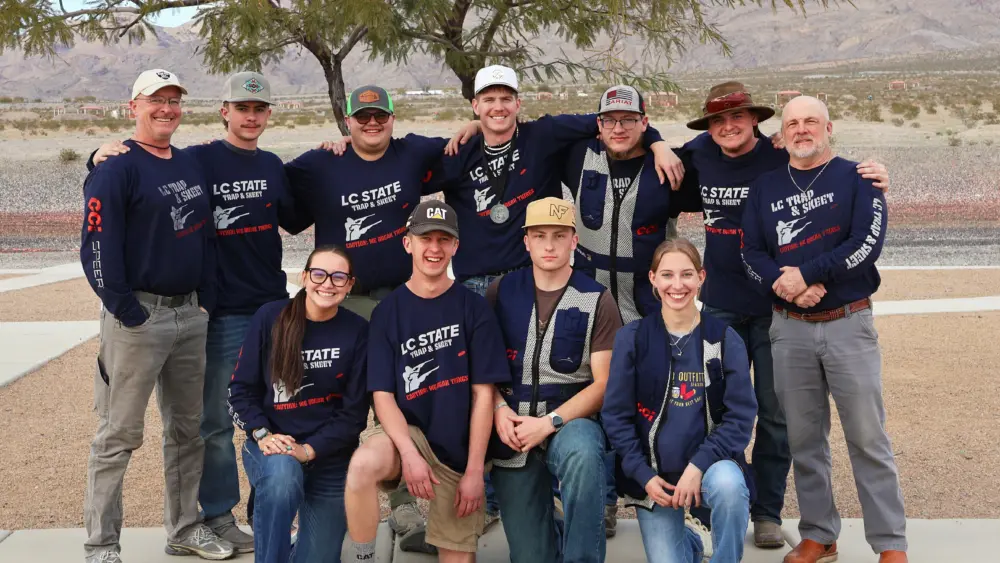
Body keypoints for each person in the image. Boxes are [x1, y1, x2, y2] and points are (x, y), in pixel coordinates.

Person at [87, 71, 309, 549]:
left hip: (255, 310)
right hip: (204, 315)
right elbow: (104, 228)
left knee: (256, 418)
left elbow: (291, 214)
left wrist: (342, 150)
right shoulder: (194, 160)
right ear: (224, 111)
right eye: (242, 107)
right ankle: (129, 539)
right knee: (192, 426)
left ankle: (248, 519)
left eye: (260, 108)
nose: (251, 116)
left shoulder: (257, 164)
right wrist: (96, 157)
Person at [670, 81, 890, 549]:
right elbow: (655, 166)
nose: (728, 126)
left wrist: (801, 282)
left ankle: (767, 512)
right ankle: (718, 508)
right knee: (712, 409)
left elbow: (826, 175)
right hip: (724, 303)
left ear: (756, 120)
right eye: (717, 120)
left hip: (778, 310)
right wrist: (653, 144)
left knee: (778, 417)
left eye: (738, 116)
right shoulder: (701, 153)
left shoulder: (779, 155)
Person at [740, 96, 906, 563]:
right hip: (789, 328)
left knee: (867, 436)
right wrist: (787, 287)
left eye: (811, 121)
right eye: (793, 122)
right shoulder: (765, 187)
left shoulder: (860, 178)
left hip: (848, 323)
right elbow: (751, 252)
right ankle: (819, 534)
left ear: (828, 127)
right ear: (782, 134)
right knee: (804, 439)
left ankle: (890, 542)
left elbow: (866, 245)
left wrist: (808, 275)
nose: (801, 129)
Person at [79, 69, 232, 563]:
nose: (166, 109)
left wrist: (206, 298)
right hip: (138, 319)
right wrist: (126, 310)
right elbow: (96, 247)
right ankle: (101, 545)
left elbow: (205, 234)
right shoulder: (115, 168)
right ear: (134, 107)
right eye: (155, 100)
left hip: (190, 315)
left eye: (173, 100)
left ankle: (184, 529)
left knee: (187, 431)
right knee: (118, 435)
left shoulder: (187, 163)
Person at [344, 200, 510, 563]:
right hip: (409, 434)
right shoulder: (387, 312)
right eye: (425, 239)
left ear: (455, 246)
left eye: (443, 240)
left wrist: (474, 472)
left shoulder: (474, 308)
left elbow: (484, 395)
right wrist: (407, 453)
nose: (434, 248)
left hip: (456, 451)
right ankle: (363, 558)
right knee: (362, 465)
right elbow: (382, 394)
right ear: (408, 243)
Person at [432, 65, 684, 300]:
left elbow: (613, 121)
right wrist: (479, 125)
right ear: (475, 105)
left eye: (506, 99)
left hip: (533, 278)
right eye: (489, 100)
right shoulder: (458, 153)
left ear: (518, 103)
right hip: (474, 284)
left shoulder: (544, 135)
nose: (498, 107)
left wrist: (657, 142)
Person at [602, 238, 758, 563]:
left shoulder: (723, 339)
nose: (677, 285)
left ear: (701, 277)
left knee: (730, 488)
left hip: (710, 467)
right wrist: (642, 475)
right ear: (653, 279)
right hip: (655, 477)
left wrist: (699, 465)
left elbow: (740, 418)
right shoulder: (633, 338)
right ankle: (690, 541)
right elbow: (616, 416)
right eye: (667, 275)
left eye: (687, 275)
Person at [487, 197, 622, 563]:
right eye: (540, 235)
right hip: (513, 429)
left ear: (574, 240)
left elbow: (604, 384)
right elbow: (482, 368)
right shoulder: (501, 291)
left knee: (583, 455)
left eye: (559, 236)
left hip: (569, 421)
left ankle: (581, 557)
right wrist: (498, 409)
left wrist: (549, 423)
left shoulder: (597, 298)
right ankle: (552, 526)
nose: (549, 245)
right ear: (526, 241)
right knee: (532, 556)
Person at [227, 245, 369, 562]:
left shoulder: (358, 330)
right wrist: (262, 434)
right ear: (304, 277)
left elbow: (354, 415)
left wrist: (309, 450)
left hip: (330, 456)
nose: (327, 283)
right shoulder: (270, 317)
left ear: (349, 284)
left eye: (338, 277)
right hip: (276, 446)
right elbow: (240, 390)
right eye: (318, 274)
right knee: (282, 478)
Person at [562, 84, 684, 325]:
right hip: (590, 307)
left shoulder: (668, 166)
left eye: (628, 120)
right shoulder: (578, 157)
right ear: (598, 124)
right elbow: (540, 132)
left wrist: (658, 144)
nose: (618, 129)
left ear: (644, 122)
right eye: (609, 120)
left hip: (652, 310)